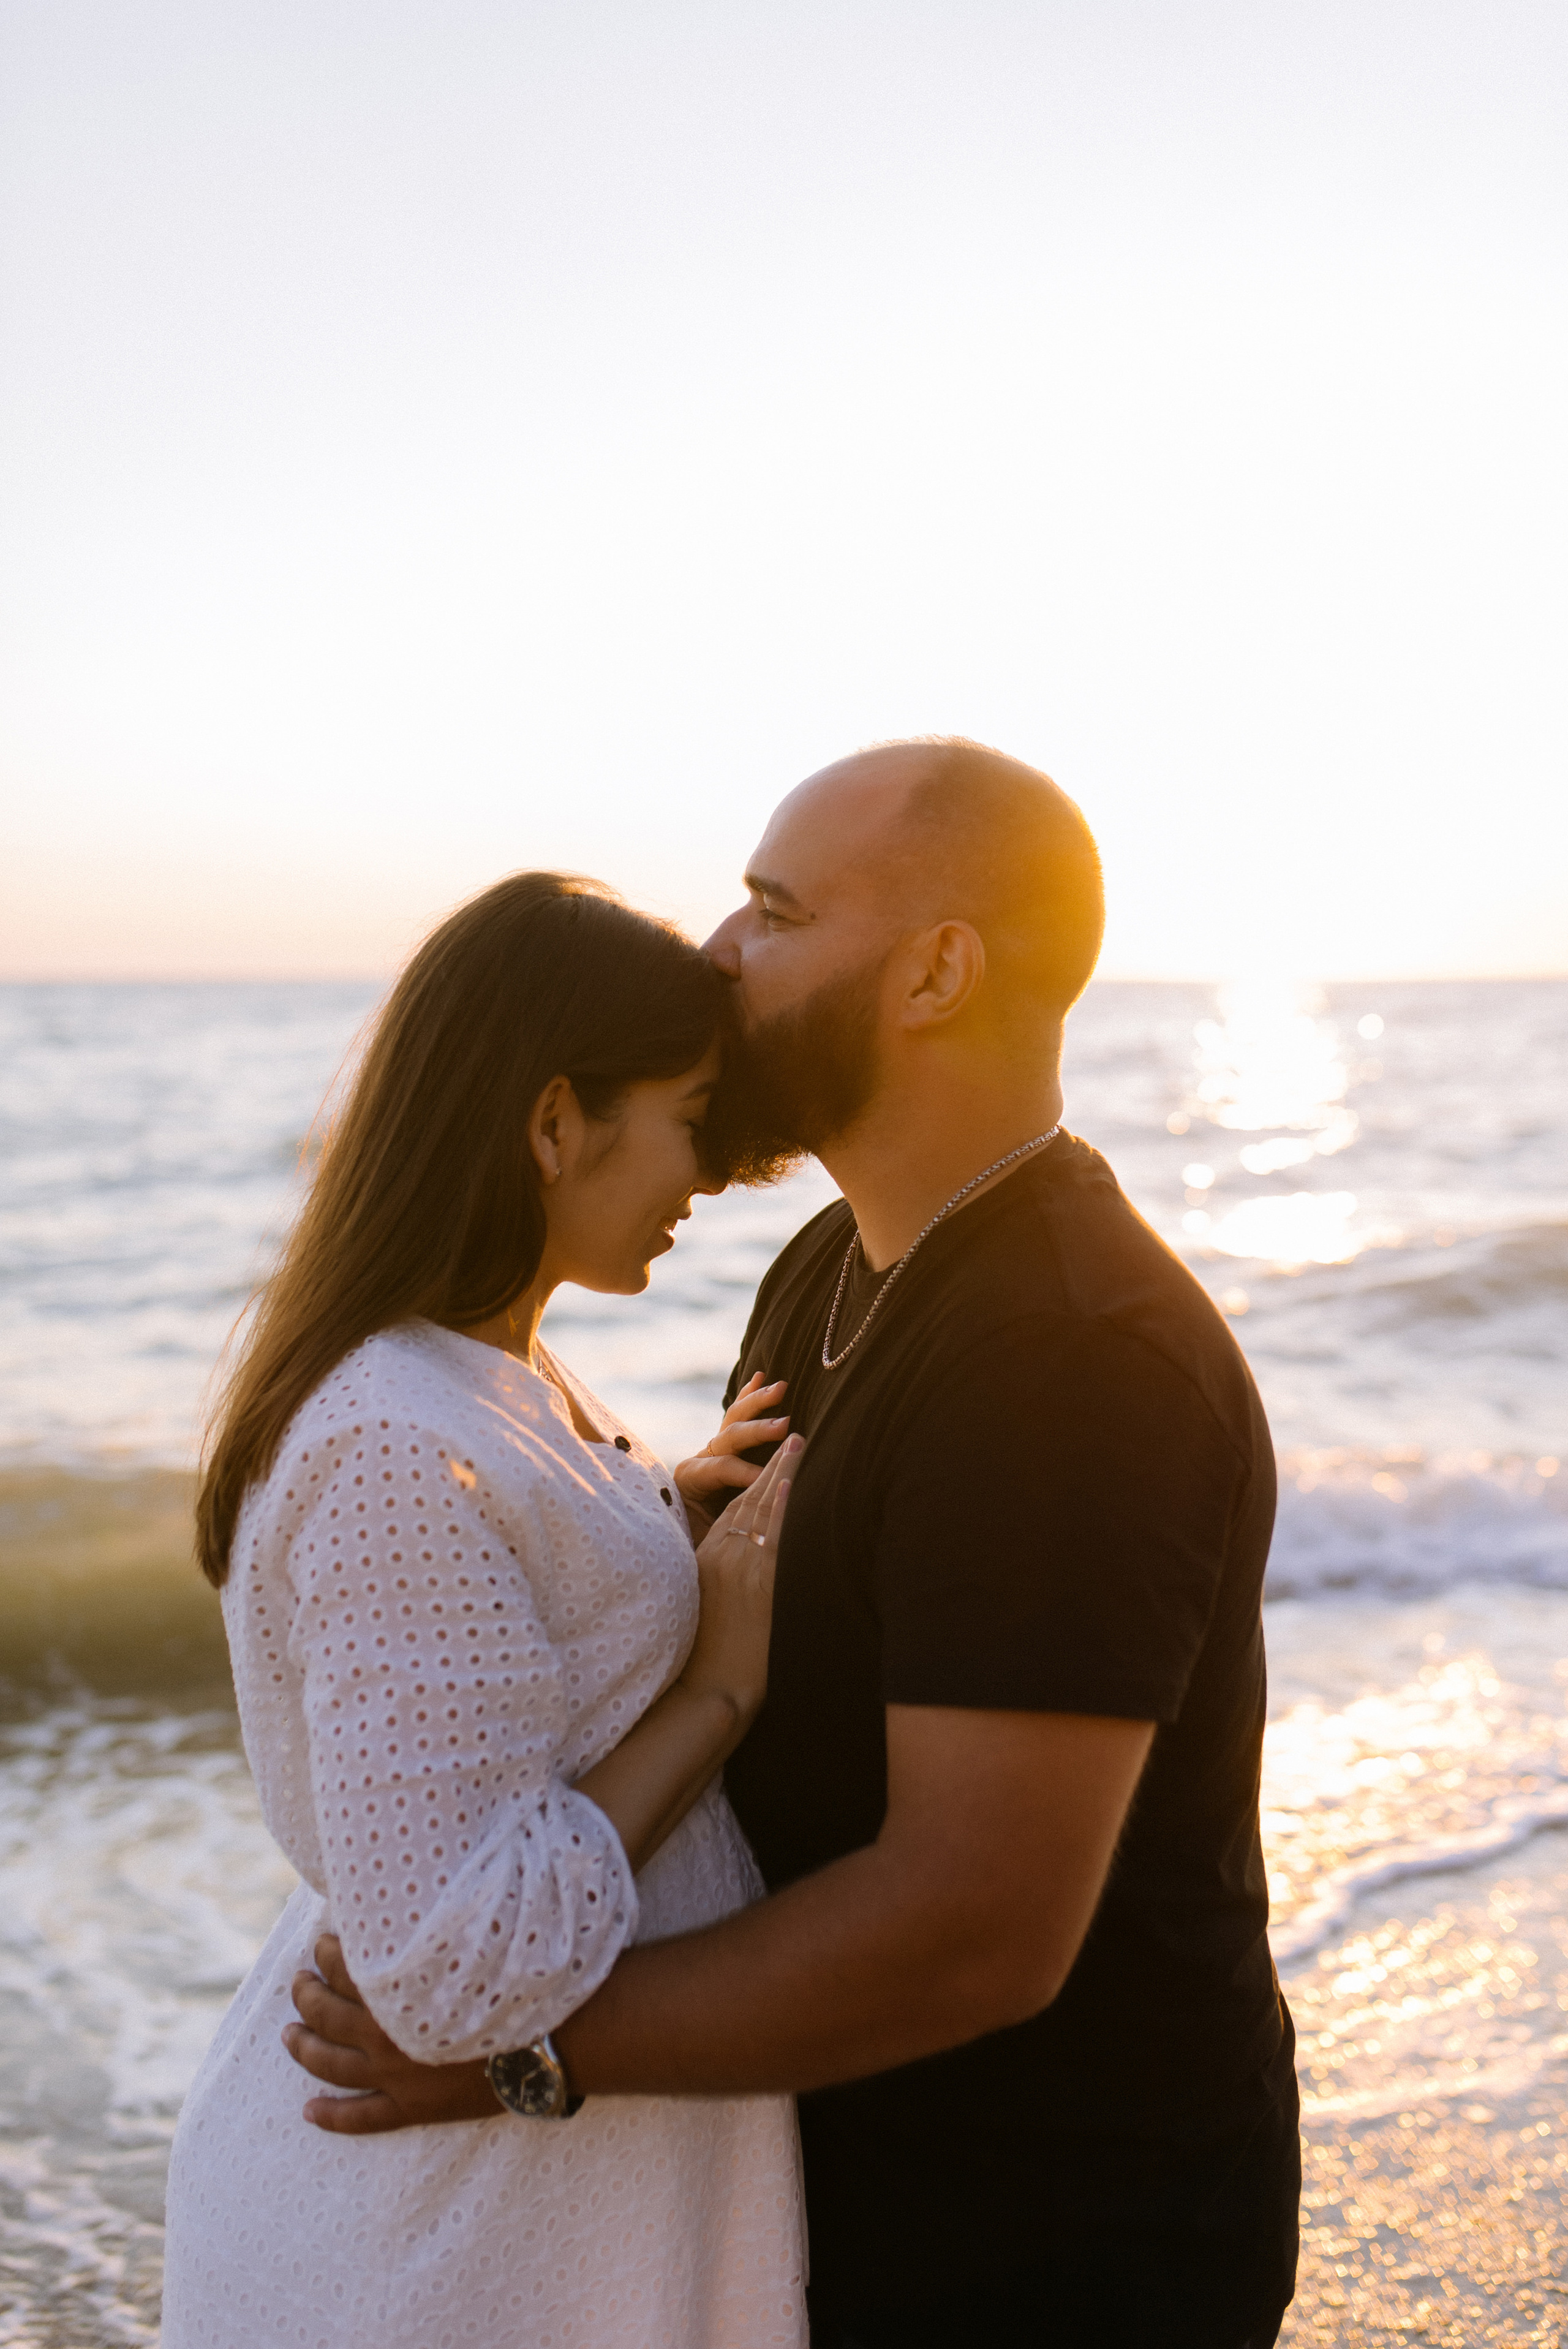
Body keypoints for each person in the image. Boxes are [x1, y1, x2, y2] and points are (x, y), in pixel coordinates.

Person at [284, 739, 1302, 2348]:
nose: (711, 953)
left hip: (1057, 2248)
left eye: (771, 909)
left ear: (937, 971)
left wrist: (521, 2048)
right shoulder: (831, 1264)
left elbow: (973, 1921)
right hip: (849, 2210)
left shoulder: (1071, 1355)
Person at [161, 872, 812, 2349]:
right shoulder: (394, 1437)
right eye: (690, 1118)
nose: (705, 1175)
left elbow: (519, 1675)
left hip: (505, 2222)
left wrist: (653, 1520)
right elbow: (461, 1968)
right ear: (552, 1120)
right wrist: (714, 1688)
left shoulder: (491, 1383)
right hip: (429, 2253)